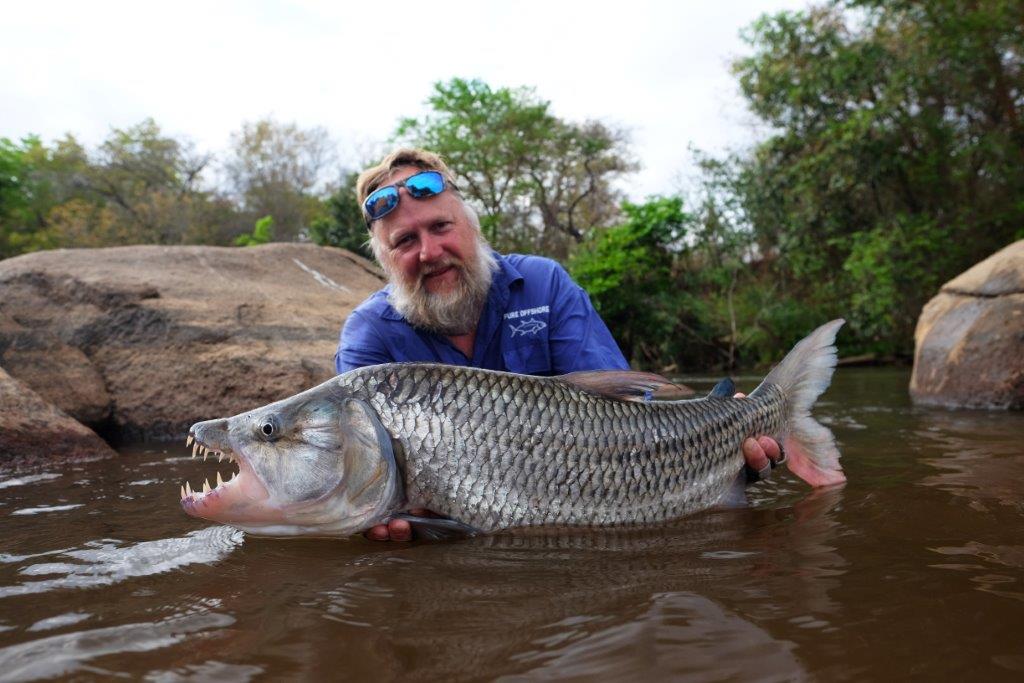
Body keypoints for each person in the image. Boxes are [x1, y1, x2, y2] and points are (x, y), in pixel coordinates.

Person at [336, 148, 782, 541]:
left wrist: (724, 439)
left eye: (440, 226)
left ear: (472, 228)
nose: (430, 251)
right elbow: (361, 472)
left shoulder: (544, 283)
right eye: (405, 241)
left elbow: (631, 424)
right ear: (385, 260)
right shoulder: (367, 335)